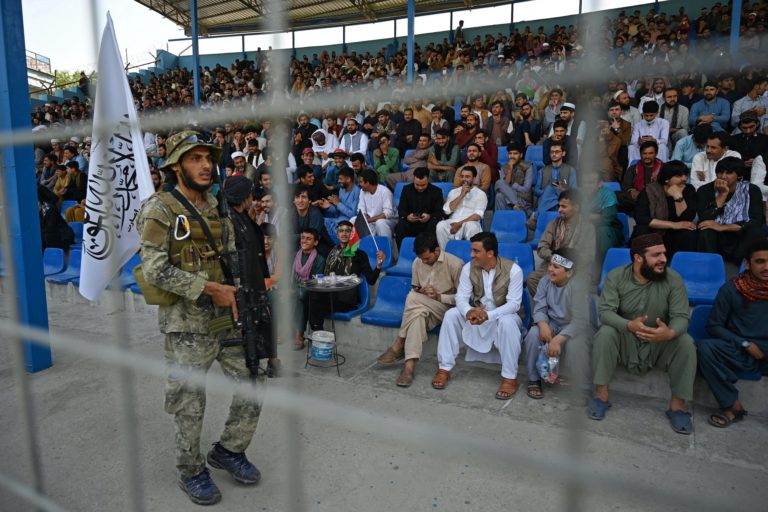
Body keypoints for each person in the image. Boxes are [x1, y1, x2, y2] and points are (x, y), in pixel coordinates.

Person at [136, 130, 262, 505]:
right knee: (190, 400)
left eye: (209, 157)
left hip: (227, 316)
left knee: (252, 380)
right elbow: (154, 270)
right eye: (195, 158)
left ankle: (229, 449)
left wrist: (239, 295)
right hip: (185, 324)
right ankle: (190, 470)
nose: (206, 165)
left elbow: (231, 257)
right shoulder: (159, 209)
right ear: (176, 167)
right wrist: (210, 289)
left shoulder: (217, 205)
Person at [589, 233, 696, 435]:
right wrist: (629, 325)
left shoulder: (673, 279)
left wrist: (669, 333)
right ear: (638, 258)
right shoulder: (616, 276)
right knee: (605, 333)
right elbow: (605, 313)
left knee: (686, 342)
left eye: (664, 254)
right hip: (626, 339)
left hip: (659, 344)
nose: (663, 259)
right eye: (656, 255)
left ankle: (678, 407)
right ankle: (600, 396)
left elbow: (682, 316)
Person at [432, 232, 525, 400]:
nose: (471, 255)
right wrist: (468, 311)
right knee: (452, 314)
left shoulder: (514, 270)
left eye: (476, 251)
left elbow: (514, 305)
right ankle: (444, 368)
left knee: (508, 323)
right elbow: (461, 297)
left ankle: (510, 379)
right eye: (471, 250)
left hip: (503, 315)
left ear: (490, 253)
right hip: (476, 314)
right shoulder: (469, 268)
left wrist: (488, 315)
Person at [377, 232, 463, 387]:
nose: (424, 261)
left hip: (447, 309)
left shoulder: (455, 264)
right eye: (422, 258)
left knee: (412, 298)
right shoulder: (418, 262)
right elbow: (415, 287)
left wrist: (439, 297)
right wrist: (422, 291)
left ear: (437, 251)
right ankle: (409, 368)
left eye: (427, 258)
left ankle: (399, 342)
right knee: (417, 317)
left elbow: (463, 299)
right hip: (423, 307)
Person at [697, 239, 768, 428]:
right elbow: (714, 326)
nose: (766, 267)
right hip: (739, 350)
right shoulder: (732, 289)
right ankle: (732, 405)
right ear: (747, 264)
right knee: (705, 348)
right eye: (760, 261)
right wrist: (745, 344)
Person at [222, 175, 277, 377]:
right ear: (243, 196)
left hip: (255, 280)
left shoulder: (243, 215)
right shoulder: (229, 220)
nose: (253, 198)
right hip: (243, 284)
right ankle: (252, 365)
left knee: (263, 321)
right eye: (250, 194)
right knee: (249, 325)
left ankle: (272, 362)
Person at [523, 249, 592, 399]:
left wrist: (557, 339)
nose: (550, 269)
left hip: (573, 326)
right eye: (550, 264)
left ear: (569, 273)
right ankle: (533, 379)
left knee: (576, 344)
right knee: (533, 335)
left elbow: (580, 320)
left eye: (556, 267)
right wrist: (542, 324)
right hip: (552, 322)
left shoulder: (578, 286)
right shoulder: (545, 281)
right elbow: (539, 308)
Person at [306, 221, 385, 332]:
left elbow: (371, 280)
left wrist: (378, 265)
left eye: (347, 231)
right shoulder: (332, 252)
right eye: (341, 231)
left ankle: (318, 335)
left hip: (347, 298)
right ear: (337, 234)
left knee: (316, 302)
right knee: (311, 296)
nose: (344, 234)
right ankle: (318, 333)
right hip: (330, 294)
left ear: (352, 234)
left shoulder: (360, 254)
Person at [696, 157, 765, 265]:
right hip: (716, 236)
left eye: (728, 173)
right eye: (720, 172)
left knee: (755, 231)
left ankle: (745, 265)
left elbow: (757, 220)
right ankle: (708, 265)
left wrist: (724, 227)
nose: (723, 176)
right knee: (705, 229)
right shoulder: (705, 190)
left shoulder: (752, 190)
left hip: (740, 233)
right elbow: (705, 218)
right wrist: (722, 195)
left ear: (738, 175)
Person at [527, 190, 595, 296]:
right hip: (553, 264)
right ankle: (549, 306)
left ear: (576, 207)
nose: (559, 210)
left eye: (564, 206)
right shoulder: (554, 224)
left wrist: (567, 264)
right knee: (532, 280)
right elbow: (542, 248)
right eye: (559, 206)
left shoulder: (588, 228)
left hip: (576, 268)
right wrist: (557, 260)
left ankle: (561, 308)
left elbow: (588, 255)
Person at [634, 161, 698, 257]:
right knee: (641, 230)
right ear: (666, 179)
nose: (684, 179)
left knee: (688, 232)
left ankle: (682, 264)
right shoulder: (650, 191)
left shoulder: (688, 189)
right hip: (655, 230)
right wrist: (673, 224)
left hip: (674, 234)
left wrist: (678, 197)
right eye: (678, 176)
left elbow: (687, 218)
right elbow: (642, 218)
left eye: (685, 175)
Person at [436, 167, 487, 249]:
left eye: (467, 177)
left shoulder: (480, 194)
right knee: (440, 225)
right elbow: (446, 211)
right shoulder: (453, 192)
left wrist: (459, 224)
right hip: (452, 221)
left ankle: (471, 255)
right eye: (462, 176)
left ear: (473, 179)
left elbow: (478, 215)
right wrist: (461, 195)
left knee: (472, 227)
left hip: (470, 222)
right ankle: (445, 255)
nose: (464, 179)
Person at [292, 228, 326, 350]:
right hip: (295, 287)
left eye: (308, 239)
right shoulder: (295, 255)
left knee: (300, 297)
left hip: (310, 289)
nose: (304, 241)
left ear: (315, 242)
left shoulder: (319, 259)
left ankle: (299, 335)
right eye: (302, 238)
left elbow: (314, 282)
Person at [394, 167, 444, 248]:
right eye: (417, 185)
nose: (420, 188)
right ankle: (402, 253)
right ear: (414, 179)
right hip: (411, 223)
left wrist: (429, 216)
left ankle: (429, 254)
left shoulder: (436, 191)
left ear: (428, 180)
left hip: (428, 223)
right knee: (401, 225)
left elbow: (439, 212)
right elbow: (401, 209)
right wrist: (407, 216)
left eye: (423, 185)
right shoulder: (406, 189)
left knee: (434, 225)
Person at [533, 141, 577, 217]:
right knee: (550, 189)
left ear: (563, 153)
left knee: (551, 189)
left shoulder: (570, 170)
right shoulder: (542, 171)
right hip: (547, 203)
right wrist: (548, 191)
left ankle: (536, 216)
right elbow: (536, 191)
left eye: (557, 152)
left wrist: (561, 189)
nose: (554, 154)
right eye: (552, 152)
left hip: (563, 203)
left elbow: (574, 191)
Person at [617, 140, 662, 213]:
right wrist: (632, 190)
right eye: (644, 153)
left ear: (656, 154)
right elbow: (626, 186)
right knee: (615, 195)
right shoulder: (633, 169)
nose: (647, 156)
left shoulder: (663, 168)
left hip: (655, 199)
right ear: (640, 154)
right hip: (637, 198)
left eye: (650, 153)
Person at [351, 169, 397, 240]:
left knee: (380, 223)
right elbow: (361, 208)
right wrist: (364, 215)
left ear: (368, 183)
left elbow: (388, 213)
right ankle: (356, 248)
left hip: (388, 221)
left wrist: (369, 220)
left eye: (361, 182)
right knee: (352, 220)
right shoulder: (362, 191)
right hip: (370, 220)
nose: (359, 184)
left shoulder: (385, 191)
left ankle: (386, 248)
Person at [317, 167, 360, 237]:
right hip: (338, 219)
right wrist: (329, 206)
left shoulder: (357, 191)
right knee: (321, 220)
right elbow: (337, 211)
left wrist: (338, 203)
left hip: (349, 222)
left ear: (348, 179)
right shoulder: (342, 189)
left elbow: (353, 214)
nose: (338, 181)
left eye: (340, 179)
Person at [494, 143, 534, 213]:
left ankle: (516, 204)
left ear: (521, 155)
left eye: (515, 154)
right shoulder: (504, 167)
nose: (512, 156)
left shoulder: (528, 166)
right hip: (509, 200)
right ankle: (515, 206)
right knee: (499, 194)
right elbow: (502, 185)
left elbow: (526, 189)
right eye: (510, 153)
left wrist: (512, 186)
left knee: (500, 187)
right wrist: (509, 170)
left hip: (523, 199)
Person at [293, 186, 332, 256]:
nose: (300, 200)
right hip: (297, 245)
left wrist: (295, 237)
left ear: (310, 201)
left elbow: (310, 238)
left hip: (318, 246)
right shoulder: (290, 213)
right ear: (294, 200)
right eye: (297, 197)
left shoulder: (315, 214)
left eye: (304, 197)